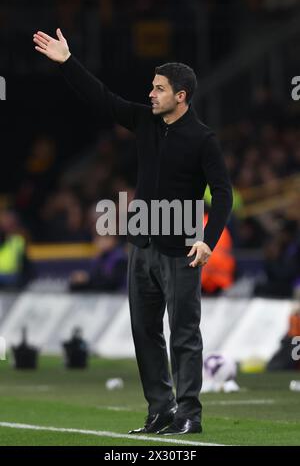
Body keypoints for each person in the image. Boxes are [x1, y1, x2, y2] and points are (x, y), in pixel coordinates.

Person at [33, 29, 233, 435]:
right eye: (152, 87)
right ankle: (160, 410)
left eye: (159, 89)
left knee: (184, 334)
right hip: (142, 244)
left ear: (181, 96)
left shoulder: (202, 139)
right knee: (144, 332)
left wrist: (207, 242)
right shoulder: (144, 120)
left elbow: (225, 194)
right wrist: (68, 62)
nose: (151, 93)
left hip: (181, 249)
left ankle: (189, 415)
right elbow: (103, 99)